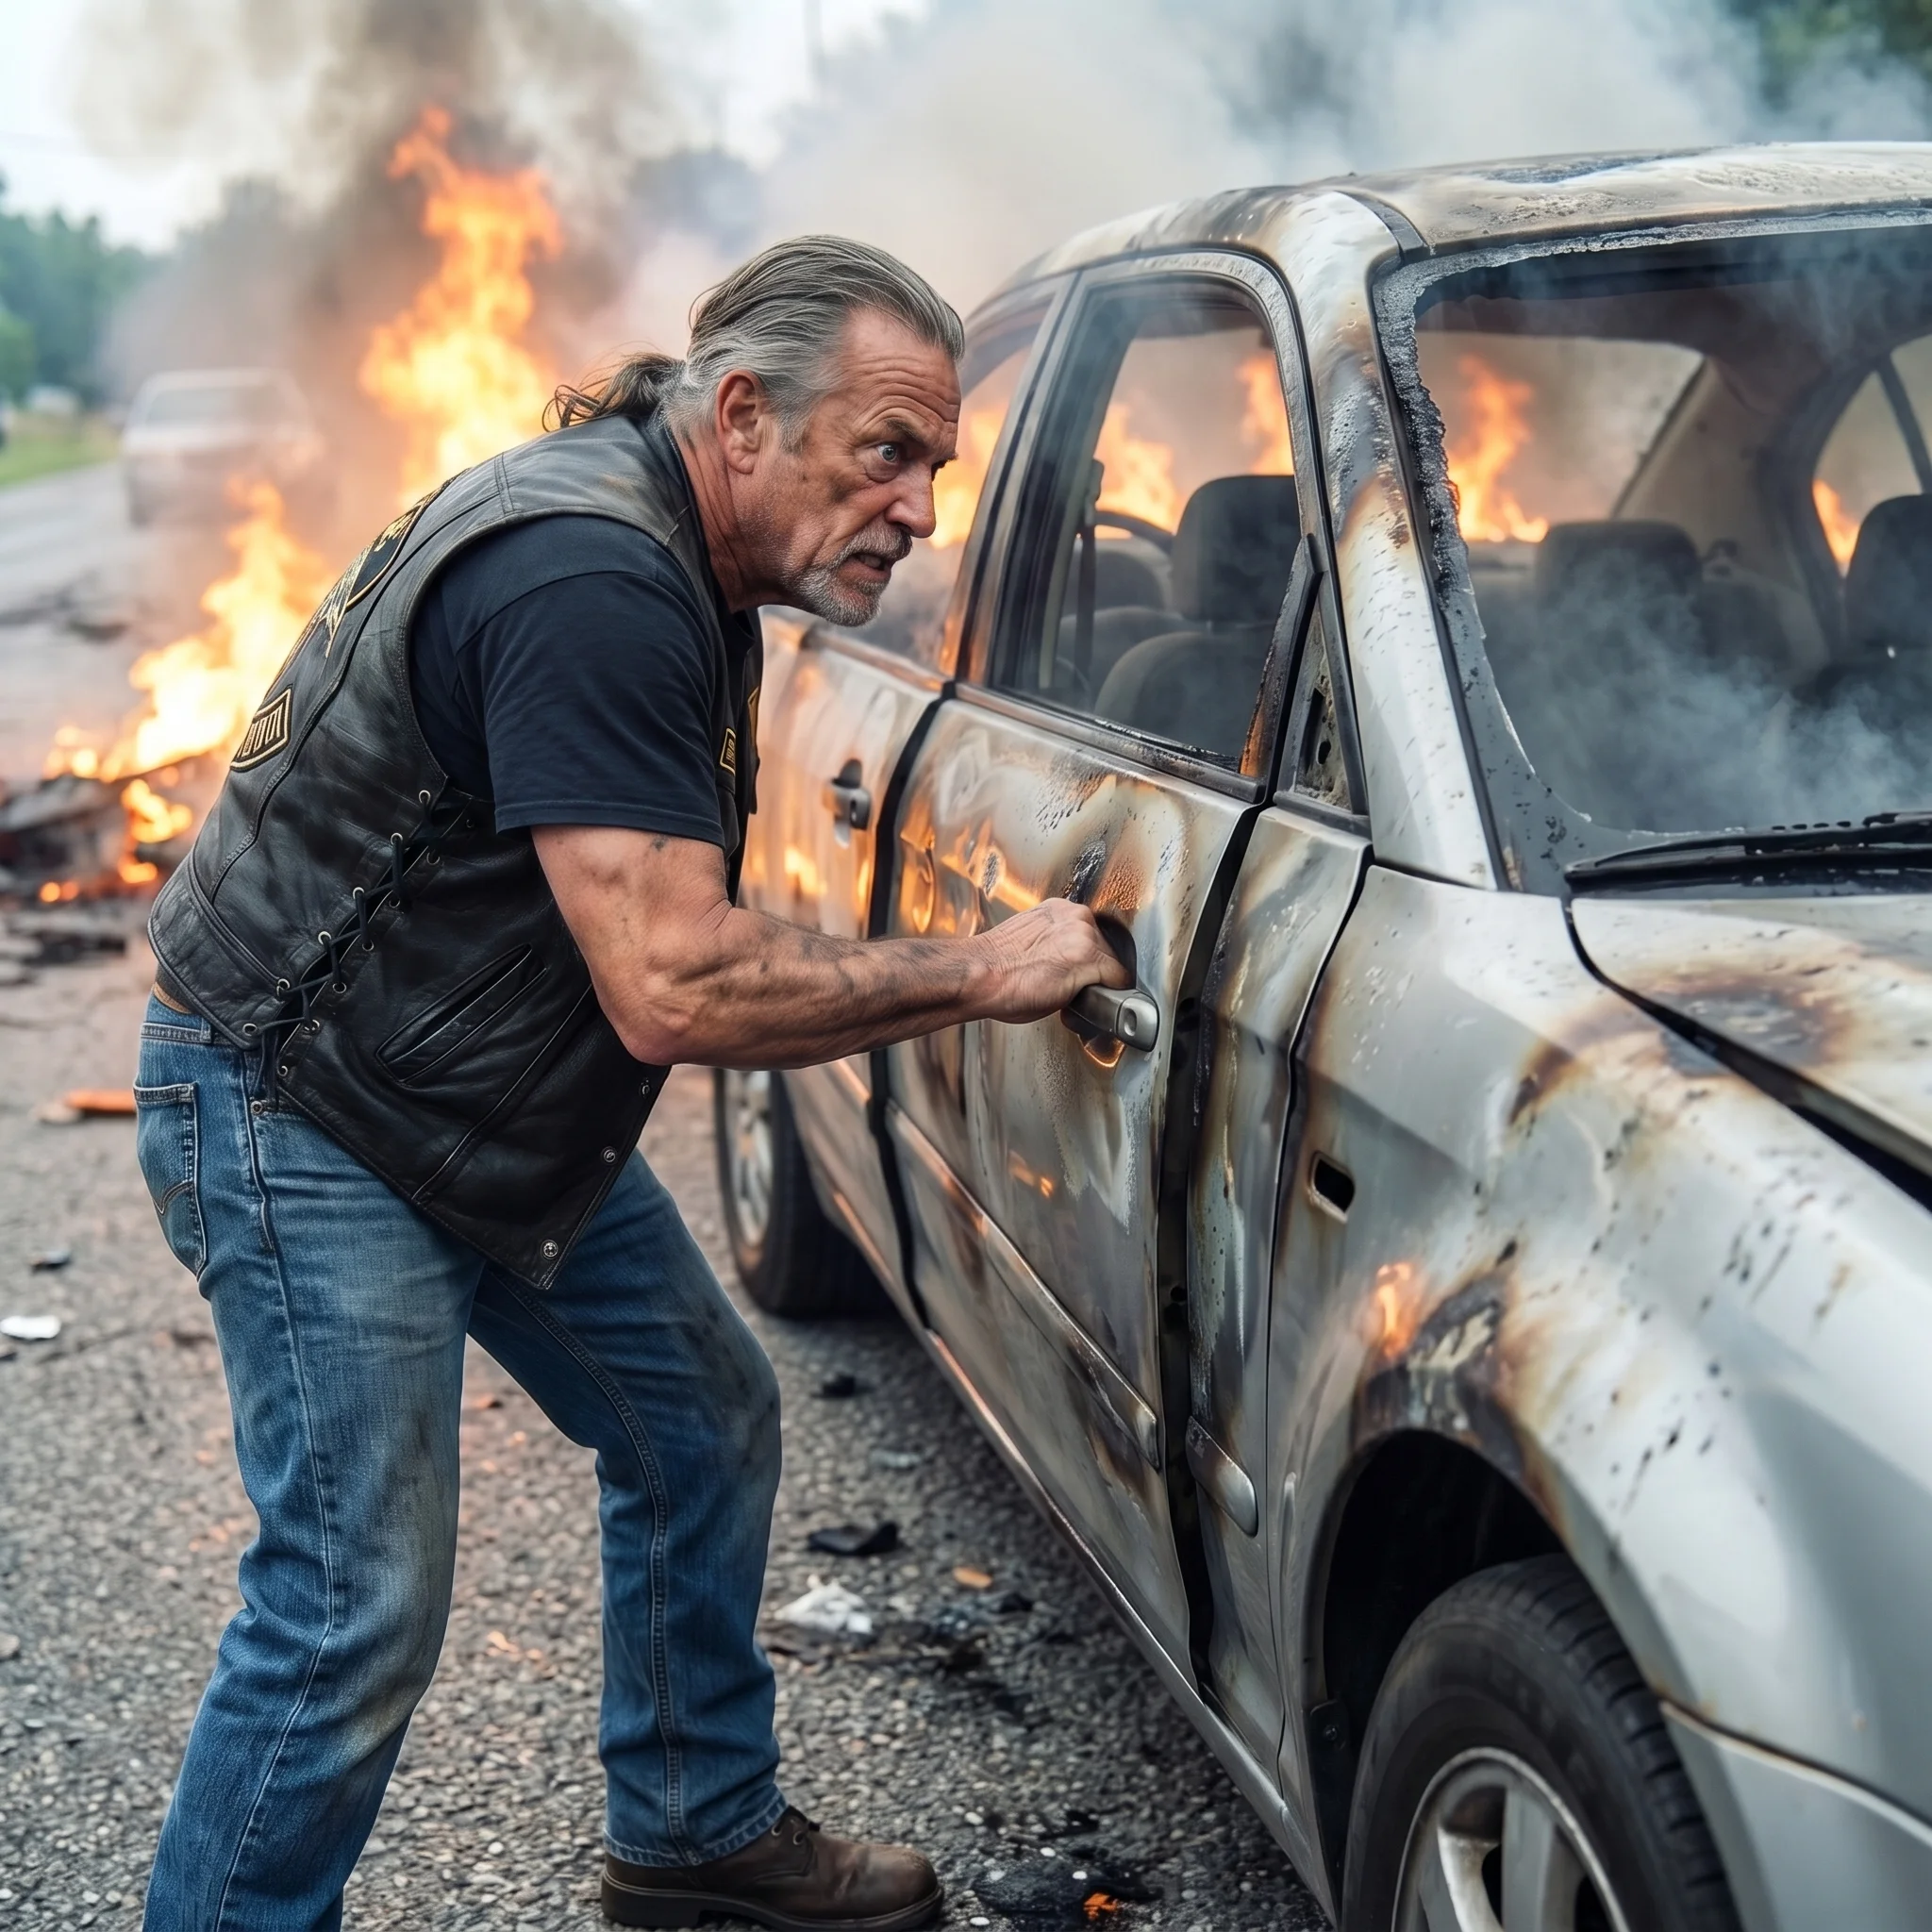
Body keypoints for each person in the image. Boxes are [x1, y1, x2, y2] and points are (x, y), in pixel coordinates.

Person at [133, 235, 1126, 1932]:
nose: (919, 508)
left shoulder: (674, 542)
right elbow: (674, 979)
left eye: (934, 467)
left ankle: (693, 1842)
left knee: (699, 1425)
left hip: (465, 1112)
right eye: (884, 453)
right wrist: (989, 966)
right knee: (349, 1605)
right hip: (308, 1114)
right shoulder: (593, 580)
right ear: (742, 414)